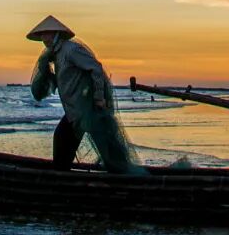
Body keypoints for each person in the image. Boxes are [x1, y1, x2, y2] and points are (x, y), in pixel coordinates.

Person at [27, 14, 144, 175]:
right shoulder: (54, 55)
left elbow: (96, 68)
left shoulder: (71, 50)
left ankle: (124, 179)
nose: (44, 38)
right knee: (62, 141)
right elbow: (61, 81)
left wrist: (99, 97)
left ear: (56, 34)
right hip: (74, 112)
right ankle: (62, 178)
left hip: (90, 109)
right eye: (42, 35)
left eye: (47, 34)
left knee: (109, 151)